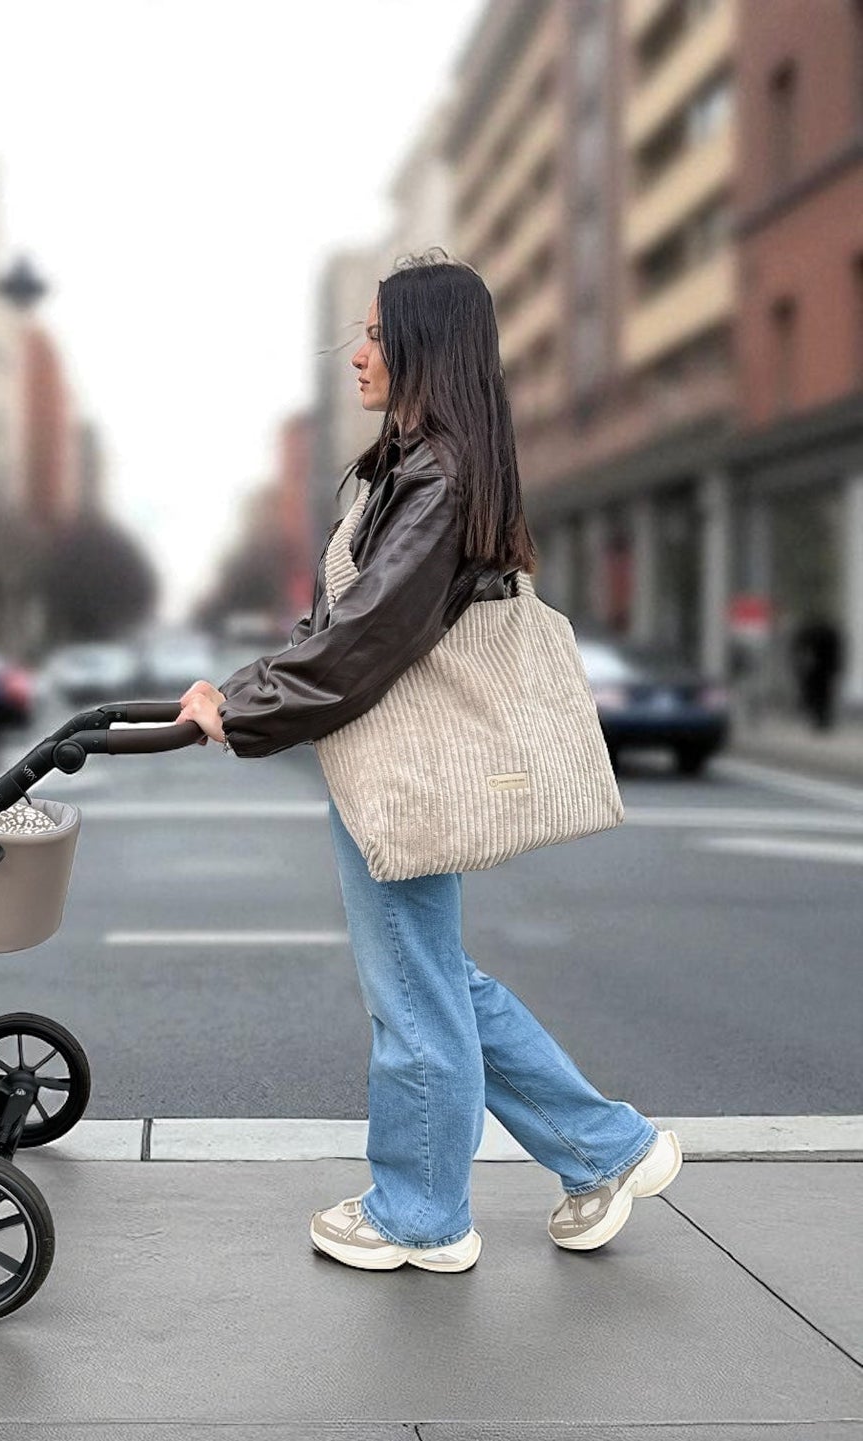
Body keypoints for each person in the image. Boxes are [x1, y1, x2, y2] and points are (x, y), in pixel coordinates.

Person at [173, 250, 682, 1275]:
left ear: (419, 345)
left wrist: (244, 711)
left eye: (370, 332)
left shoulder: (436, 473)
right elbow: (341, 621)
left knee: (412, 989)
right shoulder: (410, 466)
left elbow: (363, 633)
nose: (354, 352)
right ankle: (605, 1147)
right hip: (383, 758)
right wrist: (239, 688)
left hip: (402, 765)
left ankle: (419, 1212)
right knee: (432, 976)